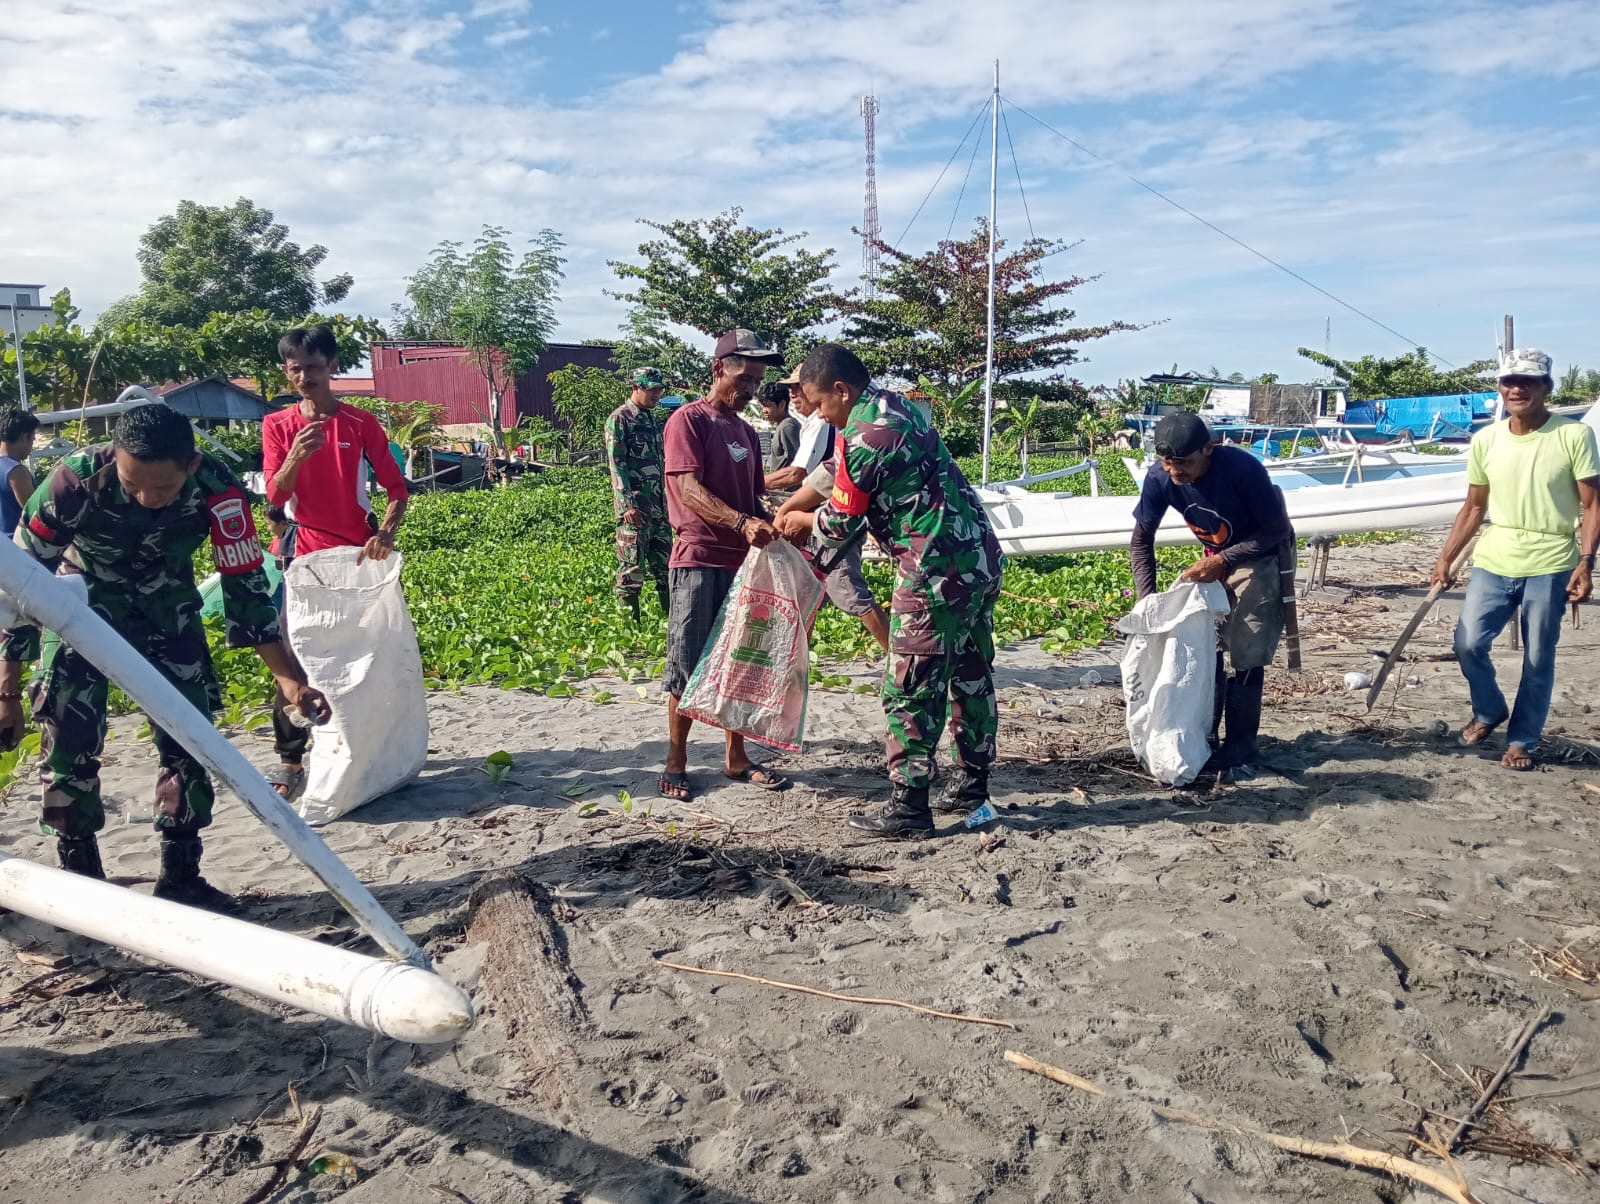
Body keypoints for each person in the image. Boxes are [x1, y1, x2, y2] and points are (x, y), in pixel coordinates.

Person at [0, 403, 331, 910]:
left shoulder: (219, 490)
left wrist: (288, 680)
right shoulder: (72, 482)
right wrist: (7, 688)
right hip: (79, 612)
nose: (145, 498)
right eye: (133, 485)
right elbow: (20, 590)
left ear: (191, 466)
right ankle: (84, 881)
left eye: (161, 490)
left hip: (167, 613)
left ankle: (181, 877)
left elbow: (245, 587)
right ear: (117, 459)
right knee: (68, 745)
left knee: (191, 742)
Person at [778, 343, 1002, 838]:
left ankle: (909, 807)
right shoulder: (895, 407)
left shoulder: (864, 432)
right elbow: (837, 473)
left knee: (910, 686)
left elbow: (837, 524)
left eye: (818, 402)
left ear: (841, 389)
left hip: (934, 573)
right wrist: (794, 502)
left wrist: (800, 519)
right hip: (977, 559)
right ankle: (971, 784)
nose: (815, 412)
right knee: (969, 675)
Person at [260, 323, 409, 800]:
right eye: (296, 369)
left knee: (367, 653)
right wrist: (295, 459)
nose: (306, 377)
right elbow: (275, 494)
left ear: (333, 369)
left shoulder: (361, 423)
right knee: (296, 654)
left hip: (359, 556)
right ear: (287, 374)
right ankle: (290, 760)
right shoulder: (277, 425)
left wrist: (385, 533)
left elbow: (396, 489)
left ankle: (367, 744)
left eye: (314, 367)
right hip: (306, 557)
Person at [1435, 349, 1598, 770]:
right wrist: (1445, 559)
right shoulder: (1486, 439)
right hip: (1496, 555)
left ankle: (1523, 739)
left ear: (1547, 387)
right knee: (1467, 643)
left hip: (1552, 558)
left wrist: (1586, 562)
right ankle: (1489, 710)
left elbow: (1592, 504)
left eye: (1528, 381)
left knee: (1539, 655)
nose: (1517, 389)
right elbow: (1473, 506)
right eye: (1509, 381)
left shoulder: (1572, 436)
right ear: (1500, 387)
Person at [659, 328, 787, 802]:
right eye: (744, 377)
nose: (751, 388)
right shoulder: (688, 422)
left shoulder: (747, 432)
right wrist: (739, 522)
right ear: (718, 369)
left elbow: (754, 494)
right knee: (687, 664)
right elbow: (687, 488)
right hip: (699, 557)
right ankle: (676, 759)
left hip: (744, 562)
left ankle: (737, 757)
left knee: (740, 659)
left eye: (756, 380)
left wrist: (775, 523)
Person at [1129, 410, 1292, 776]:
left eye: (1184, 463)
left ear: (1209, 449)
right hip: (1214, 556)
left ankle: (1241, 742)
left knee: (1247, 644)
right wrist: (1147, 599)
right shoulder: (1160, 478)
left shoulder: (1243, 471)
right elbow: (1141, 541)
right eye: (1167, 464)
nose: (1175, 473)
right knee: (1206, 639)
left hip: (1259, 554)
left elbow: (1275, 530)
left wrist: (1224, 560)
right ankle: (1207, 735)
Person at [605, 367, 671, 622]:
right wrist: (626, 505)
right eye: (651, 389)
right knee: (632, 567)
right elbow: (616, 464)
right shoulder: (620, 419)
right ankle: (629, 628)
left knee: (665, 565)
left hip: (658, 507)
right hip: (635, 509)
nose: (656, 394)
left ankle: (672, 621)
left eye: (659, 390)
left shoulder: (653, 419)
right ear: (636, 388)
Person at [0, 407, 40, 537]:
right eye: (32, 439)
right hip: (16, 548)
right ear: (24, 437)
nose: (31, 446)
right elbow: (35, 515)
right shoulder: (17, 472)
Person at [759, 382, 803, 492]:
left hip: (788, 494)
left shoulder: (787, 426)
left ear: (782, 404)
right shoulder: (783, 425)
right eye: (763, 406)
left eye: (768, 405)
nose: (764, 410)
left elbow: (798, 467)